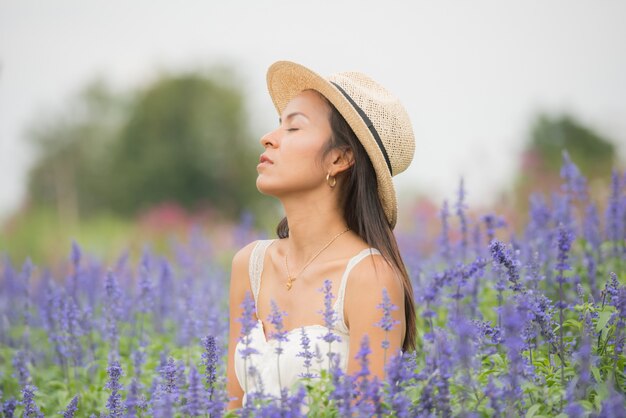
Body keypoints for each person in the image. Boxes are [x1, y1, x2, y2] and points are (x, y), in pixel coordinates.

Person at [226, 60, 417, 409]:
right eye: (277, 125)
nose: (268, 138)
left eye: (294, 128)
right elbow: (232, 407)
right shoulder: (249, 265)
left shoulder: (369, 278)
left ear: (339, 159)